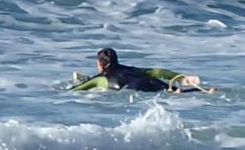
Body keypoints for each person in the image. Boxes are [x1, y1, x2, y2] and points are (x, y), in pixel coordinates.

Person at [70, 48, 215, 93]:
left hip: (135, 87)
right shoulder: (129, 69)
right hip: (149, 81)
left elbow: (78, 89)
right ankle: (203, 90)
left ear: (101, 64)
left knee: (175, 93)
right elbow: (155, 72)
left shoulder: (100, 78)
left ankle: (201, 91)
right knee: (176, 91)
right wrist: (181, 78)